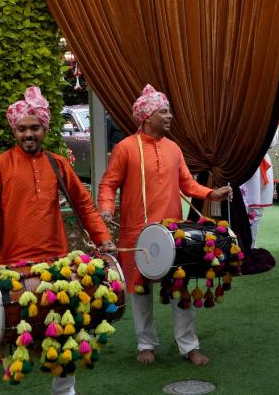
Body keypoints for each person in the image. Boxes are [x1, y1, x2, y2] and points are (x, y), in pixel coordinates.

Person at [0, 86, 114, 395]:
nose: (28, 134)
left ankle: (64, 391)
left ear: (45, 129)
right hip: (12, 269)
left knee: (64, 329)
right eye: (22, 129)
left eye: (34, 127)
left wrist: (102, 238)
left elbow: (84, 205)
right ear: (14, 130)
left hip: (56, 267)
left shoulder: (58, 165)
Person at [97, 84, 232, 366]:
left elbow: (187, 183)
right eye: (164, 111)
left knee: (179, 288)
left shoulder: (173, 148)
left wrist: (211, 193)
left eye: (168, 111)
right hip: (137, 232)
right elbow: (108, 184)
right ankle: (145, 343)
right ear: (147, 116)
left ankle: (189, 345)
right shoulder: (125, 148)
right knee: (139, 291)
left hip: (174, 232)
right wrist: (107, 208)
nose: (170, 116)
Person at [240, 129, 278, 249]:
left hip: (259, 164)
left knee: (256, 209)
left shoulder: (269, 113)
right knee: (239, 205)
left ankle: (251, 245)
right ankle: (238, 244)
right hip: (240, 161)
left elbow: (272, 141)